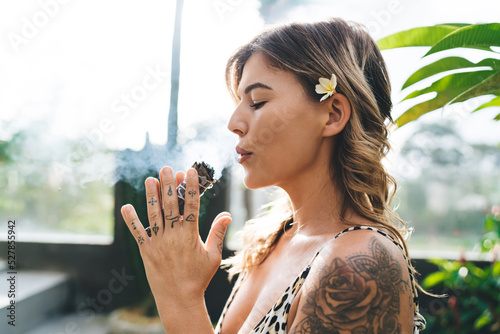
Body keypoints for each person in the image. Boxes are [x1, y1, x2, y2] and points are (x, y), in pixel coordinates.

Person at [120, 18, 426, 334]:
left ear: (332, 114)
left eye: (258, 102)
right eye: (239, 102)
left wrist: (180, 297)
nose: (234, 122)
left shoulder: (358, 268)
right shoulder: (274, 241)